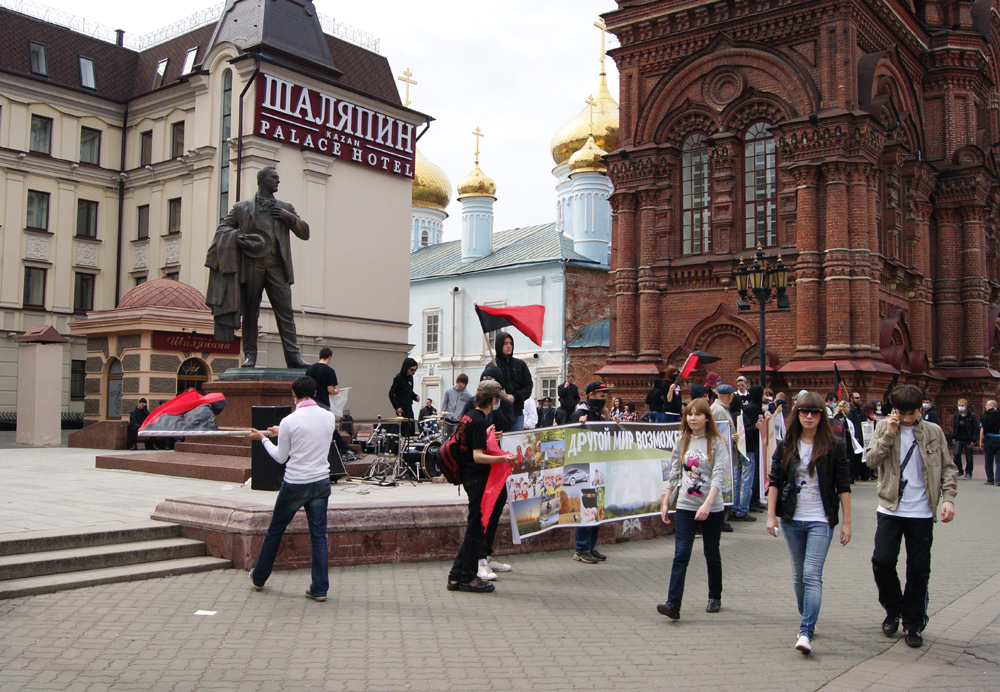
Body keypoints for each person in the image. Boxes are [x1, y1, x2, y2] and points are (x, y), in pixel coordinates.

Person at [867, 384, 958, 648]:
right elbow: (871, 461)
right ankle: (893, 609)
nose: (907, 419)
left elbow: (948, 468)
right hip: (890, 508)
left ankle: (913, 622)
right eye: (902, 413)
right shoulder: (884, 427)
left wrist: (948, 499)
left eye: (912, 413)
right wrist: (889, 435)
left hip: (921, 511)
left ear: (921, 409)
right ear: (894, 409)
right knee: (882, 562)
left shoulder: (933, 432)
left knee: (918, 570)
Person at [766, 392, 852, 654]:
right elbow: (775, 482)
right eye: (804, 411)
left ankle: (806, 631)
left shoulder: (834, 445)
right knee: (798, 575)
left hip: (821, 518)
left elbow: (843, 486)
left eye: (815, 412)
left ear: (822, 415)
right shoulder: (785, 445)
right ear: (797, 414)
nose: (810, 416)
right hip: (792, 518)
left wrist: (847, 522)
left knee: (812, 574)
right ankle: (808, 616)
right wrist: (771, 516)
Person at [206, 166, 310, 368]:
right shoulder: (242, 208)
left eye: (278, 178)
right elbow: (223, 228)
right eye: (274, 178)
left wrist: (289, 217)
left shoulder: (285, 206)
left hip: (277, 266)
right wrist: (238, 236)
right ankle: (250, 355)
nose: (278, 181)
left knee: (285, 312)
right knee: (251, 311)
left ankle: (293, 357)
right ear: (263, 180)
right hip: (252, 265)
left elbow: (305, 232)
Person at [247, 376, 337, 601]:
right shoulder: (329, 417)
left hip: (295, 484)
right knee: (319, 537)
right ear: (315, 393)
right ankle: (319, 588)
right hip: (320, 482)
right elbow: (309, 433)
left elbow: (280, 457)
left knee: (275, 531)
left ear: (293, 395)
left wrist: (263, 439)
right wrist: (282, 431)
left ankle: (259, 577)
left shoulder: (290, 421)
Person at [657, 398, 730, 620]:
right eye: (689, 414)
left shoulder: (716, 442)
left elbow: (719, 475)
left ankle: (714, 596)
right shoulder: (683, 441)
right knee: (681, 553)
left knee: (711, 551)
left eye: (698, 414)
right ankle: (673, 603)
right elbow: (674, 472)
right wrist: (666, 498)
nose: (693, 418)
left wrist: (708, 503)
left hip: (712, 507)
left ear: (707, 417)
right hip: (686, 506)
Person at [447, 380, 515, 593]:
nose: (499, 403)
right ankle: (467, 578)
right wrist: (503, 458)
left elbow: (470, 445)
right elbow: (477, 456)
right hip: (476, 478)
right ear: (493, 400)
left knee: (474, 528)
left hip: (469, 477)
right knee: (476, 529)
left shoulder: (469, 417)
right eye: (498, 399)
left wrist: (489, 439)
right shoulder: (479, 420)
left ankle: (456, 576)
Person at [572, 382, 610, 564]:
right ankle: (581, 549)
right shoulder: (581, 413)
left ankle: (591, 546)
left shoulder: (597, 413)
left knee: (596, 509)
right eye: (601, 396)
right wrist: (579, 425)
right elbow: (571, 433)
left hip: (597, 468)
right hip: (585, 469)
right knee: (587, 508)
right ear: (591, 395)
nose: (604, 400)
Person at [732, 385, 767, 522]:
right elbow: (746, 430)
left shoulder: (741, 412)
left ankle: (736, 507)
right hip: (748, 448)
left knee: (738, 479)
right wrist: (756, 427)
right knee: (746, 479)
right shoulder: (749, 410)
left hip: (742, 448)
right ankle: (742, 509)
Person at [493, 331, 533, 431]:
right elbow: (488, 390)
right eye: (505, 343)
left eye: (510, 343)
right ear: (499, 345)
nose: (509, 346)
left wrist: (515, 397)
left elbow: (528, 386)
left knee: (516, 444)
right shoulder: (493, 366)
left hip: (517, 413)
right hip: (499, 414)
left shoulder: (520, 365)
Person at [388, 357, 419, 437]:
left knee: (411, 429)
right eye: (412, 370)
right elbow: (391, 394)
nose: (413, 372)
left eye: (415, 370)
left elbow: (409, 391)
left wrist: (415, 396)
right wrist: (397, 407)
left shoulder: (410, 378)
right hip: (401, 407)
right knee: (404, 430)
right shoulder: (398, 378)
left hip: (409, 406)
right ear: (406, 368)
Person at [951, 398, 979, 479]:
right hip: (959, 438)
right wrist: (954, 437)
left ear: (966, 406)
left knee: (969, 457)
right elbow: (955, 427)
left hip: (968, 439)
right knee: (956, 454)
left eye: (962, 405)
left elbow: (975, 428)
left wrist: (974, 440)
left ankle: (968, 473)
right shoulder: (956, 415)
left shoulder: (971, 416)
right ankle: (959, 470)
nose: (961, 407)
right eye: (959, 405)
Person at [441, 374, 472, 440]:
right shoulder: (448, 391)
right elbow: (444, 404)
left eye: (463, 383)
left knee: (456, 440)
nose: (461, 384)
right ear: (457, 382)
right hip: (447, 421)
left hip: (457, 423)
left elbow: (470, 408)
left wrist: (464, 415)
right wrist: (442, 417)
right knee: (443, 440)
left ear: (465, 384)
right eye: (460, 382)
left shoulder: (468, 395)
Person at [847, 391, 869, 481]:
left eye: (859, 398)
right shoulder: (850, 411)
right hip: (854, 437)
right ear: (851, 399)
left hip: (862, 436)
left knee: (860, 457)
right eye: (856, 398)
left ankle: (860, 475)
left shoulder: (859, 410)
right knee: (854, 458)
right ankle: (853, 476)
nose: (859, 399)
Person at [979, 399, 1000, 485]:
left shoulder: (985, 416)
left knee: (988, 460)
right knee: (999, 461)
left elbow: (982, 430)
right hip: (999, 439)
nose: (986, 407)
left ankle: (990, 479)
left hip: (988, 439)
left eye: (986, 406)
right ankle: (998, 480)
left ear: (991, 406)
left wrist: (981, 441)